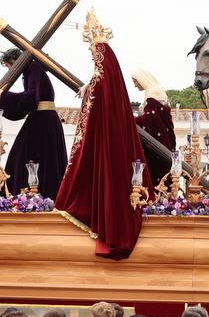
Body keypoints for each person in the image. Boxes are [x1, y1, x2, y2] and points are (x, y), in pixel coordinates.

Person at [54, 24, 147, 259]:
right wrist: (89, 86)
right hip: (106, 141)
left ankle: (109, 228)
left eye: (94, 54)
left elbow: (96, 104)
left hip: (104, 141)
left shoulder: (103, 79)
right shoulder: (106, 79)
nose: (93, 58)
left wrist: (89, 89)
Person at [0, 47, 68, 199]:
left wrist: (3, 96)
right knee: (25, 158)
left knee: (21, 158)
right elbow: (23, 108)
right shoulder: (30, 71)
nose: (9, 71)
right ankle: (26, 196)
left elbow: (31, 98)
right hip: (40, 120)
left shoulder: (34, 68)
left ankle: (24, 197)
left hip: (43, 121)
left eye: (9, 67)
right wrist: (1, 99)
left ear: (14, 62)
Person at [130, 69, 177, 185]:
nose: (135, 85)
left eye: (135, 82)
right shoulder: (154, 92)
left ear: (142, 79)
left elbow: (150, 120)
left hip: (159, 141)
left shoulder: (153, 93)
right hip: (161, 138)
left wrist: (131, 120)